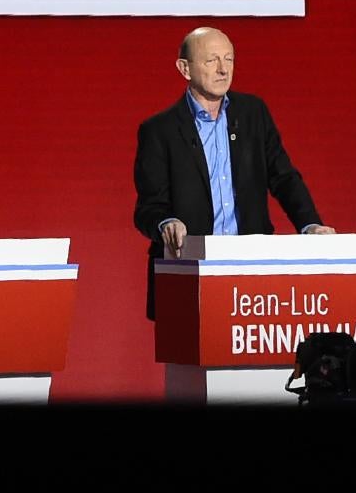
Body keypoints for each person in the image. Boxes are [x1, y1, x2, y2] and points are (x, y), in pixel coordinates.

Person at [133, 26, 333, 315]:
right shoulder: (159, 131)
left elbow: (284, 177)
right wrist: (168, 223)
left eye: (229, 59)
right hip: (189, 274)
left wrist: (310, 225)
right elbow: (148, 209)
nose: (223, 69)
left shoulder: (253, 114)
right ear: (184, 68)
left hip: (250, 272)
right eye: (211, 60)